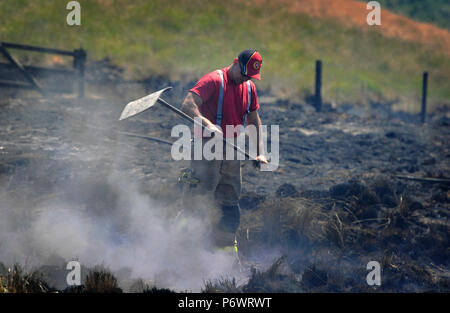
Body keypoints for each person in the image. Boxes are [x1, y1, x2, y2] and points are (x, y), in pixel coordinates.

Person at [180, 49, 268, 250]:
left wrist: (259, 151)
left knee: (229, 198)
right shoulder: (213, 80)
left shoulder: (249, 88)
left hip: (232, 148)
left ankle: (225, 248)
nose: (245, 78)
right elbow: (188, 104)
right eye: (243, 73)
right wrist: (206, 124)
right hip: (206, 146)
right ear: (236, 62)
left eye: (250, 76)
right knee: (199, 196)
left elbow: (253, 120)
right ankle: (182, 243)